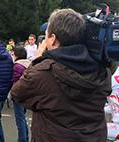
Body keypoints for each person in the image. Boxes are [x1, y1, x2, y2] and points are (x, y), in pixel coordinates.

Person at [11, 8, 110, 142]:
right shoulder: (101, 71)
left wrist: (37, 59)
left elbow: (17, 94)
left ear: (52, 39)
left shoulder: (42, 73)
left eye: (46, 35)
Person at [11, 46, 30, 142]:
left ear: (17, 55)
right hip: (27, 95)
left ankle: (22, 139)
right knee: (23, 118)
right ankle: (25, 137)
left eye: (13, 54)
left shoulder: (17, 66)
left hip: (19, 96)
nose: (12, 55)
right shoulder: (29, 64)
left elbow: (15, 82)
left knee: (20, 120)